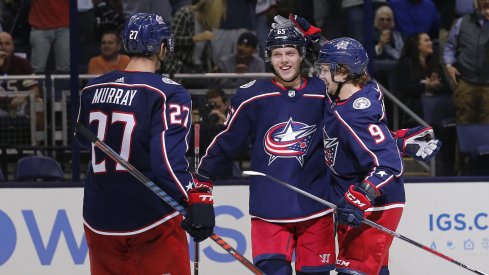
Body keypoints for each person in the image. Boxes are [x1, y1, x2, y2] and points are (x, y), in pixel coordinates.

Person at [75, 13, 215, 275]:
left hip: (99, 216)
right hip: (151, 218)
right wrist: (195, 199)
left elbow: (84, 141)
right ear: (162, 47)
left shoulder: (91, 88)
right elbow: (166, 163)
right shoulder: (168, 92)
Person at [199, 25, 337, 274]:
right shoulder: (251, 95)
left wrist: (323, 45)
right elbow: (226, 144)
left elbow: (359, 82)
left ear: (302, 54)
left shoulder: (324, 92)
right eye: (277, 54)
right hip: (269, 211)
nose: (284, 61)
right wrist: (201, 183)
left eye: (290, 53)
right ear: (269, 57)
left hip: (317, 208)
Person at [315, 37, 406, 275]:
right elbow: (347, 57)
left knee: (355, 271)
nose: (321, 75)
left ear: (343, 73)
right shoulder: (366, 88)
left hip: (375, 204)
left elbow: (389, 165)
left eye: (325, 70)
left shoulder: (356, 115)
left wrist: (360, 197)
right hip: (355, 199)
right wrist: (315, 37)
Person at [443, 0, 489, 124]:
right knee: (464, 124)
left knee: (486, 130)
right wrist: (449, 65)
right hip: (465, 83)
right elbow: (450, 47)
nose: (486, 1)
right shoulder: (463, 22)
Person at [396, 32, 450, 127]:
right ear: (417, 45)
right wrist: (426, 85)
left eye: (430, 40)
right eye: (426, 40)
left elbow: (447, 86)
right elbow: (404, 89)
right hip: (414, 108)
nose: (431, 43)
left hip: (435, 107)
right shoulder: (406, 64)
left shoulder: (435, 64)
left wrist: (437, 85)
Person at [0, 31, 43, 129]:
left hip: (18, 106)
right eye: (0, 44)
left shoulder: (22, 63)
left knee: (38, 102)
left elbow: (36, 90)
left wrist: (23, 97)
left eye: (7, 44)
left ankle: (39, 143)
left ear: (13, 47)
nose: (3, 47)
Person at [28, 0, 70, 73]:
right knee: (37, 69)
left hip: (63, 27)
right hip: (40, 28)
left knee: (64, 69)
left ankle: (64, 84)